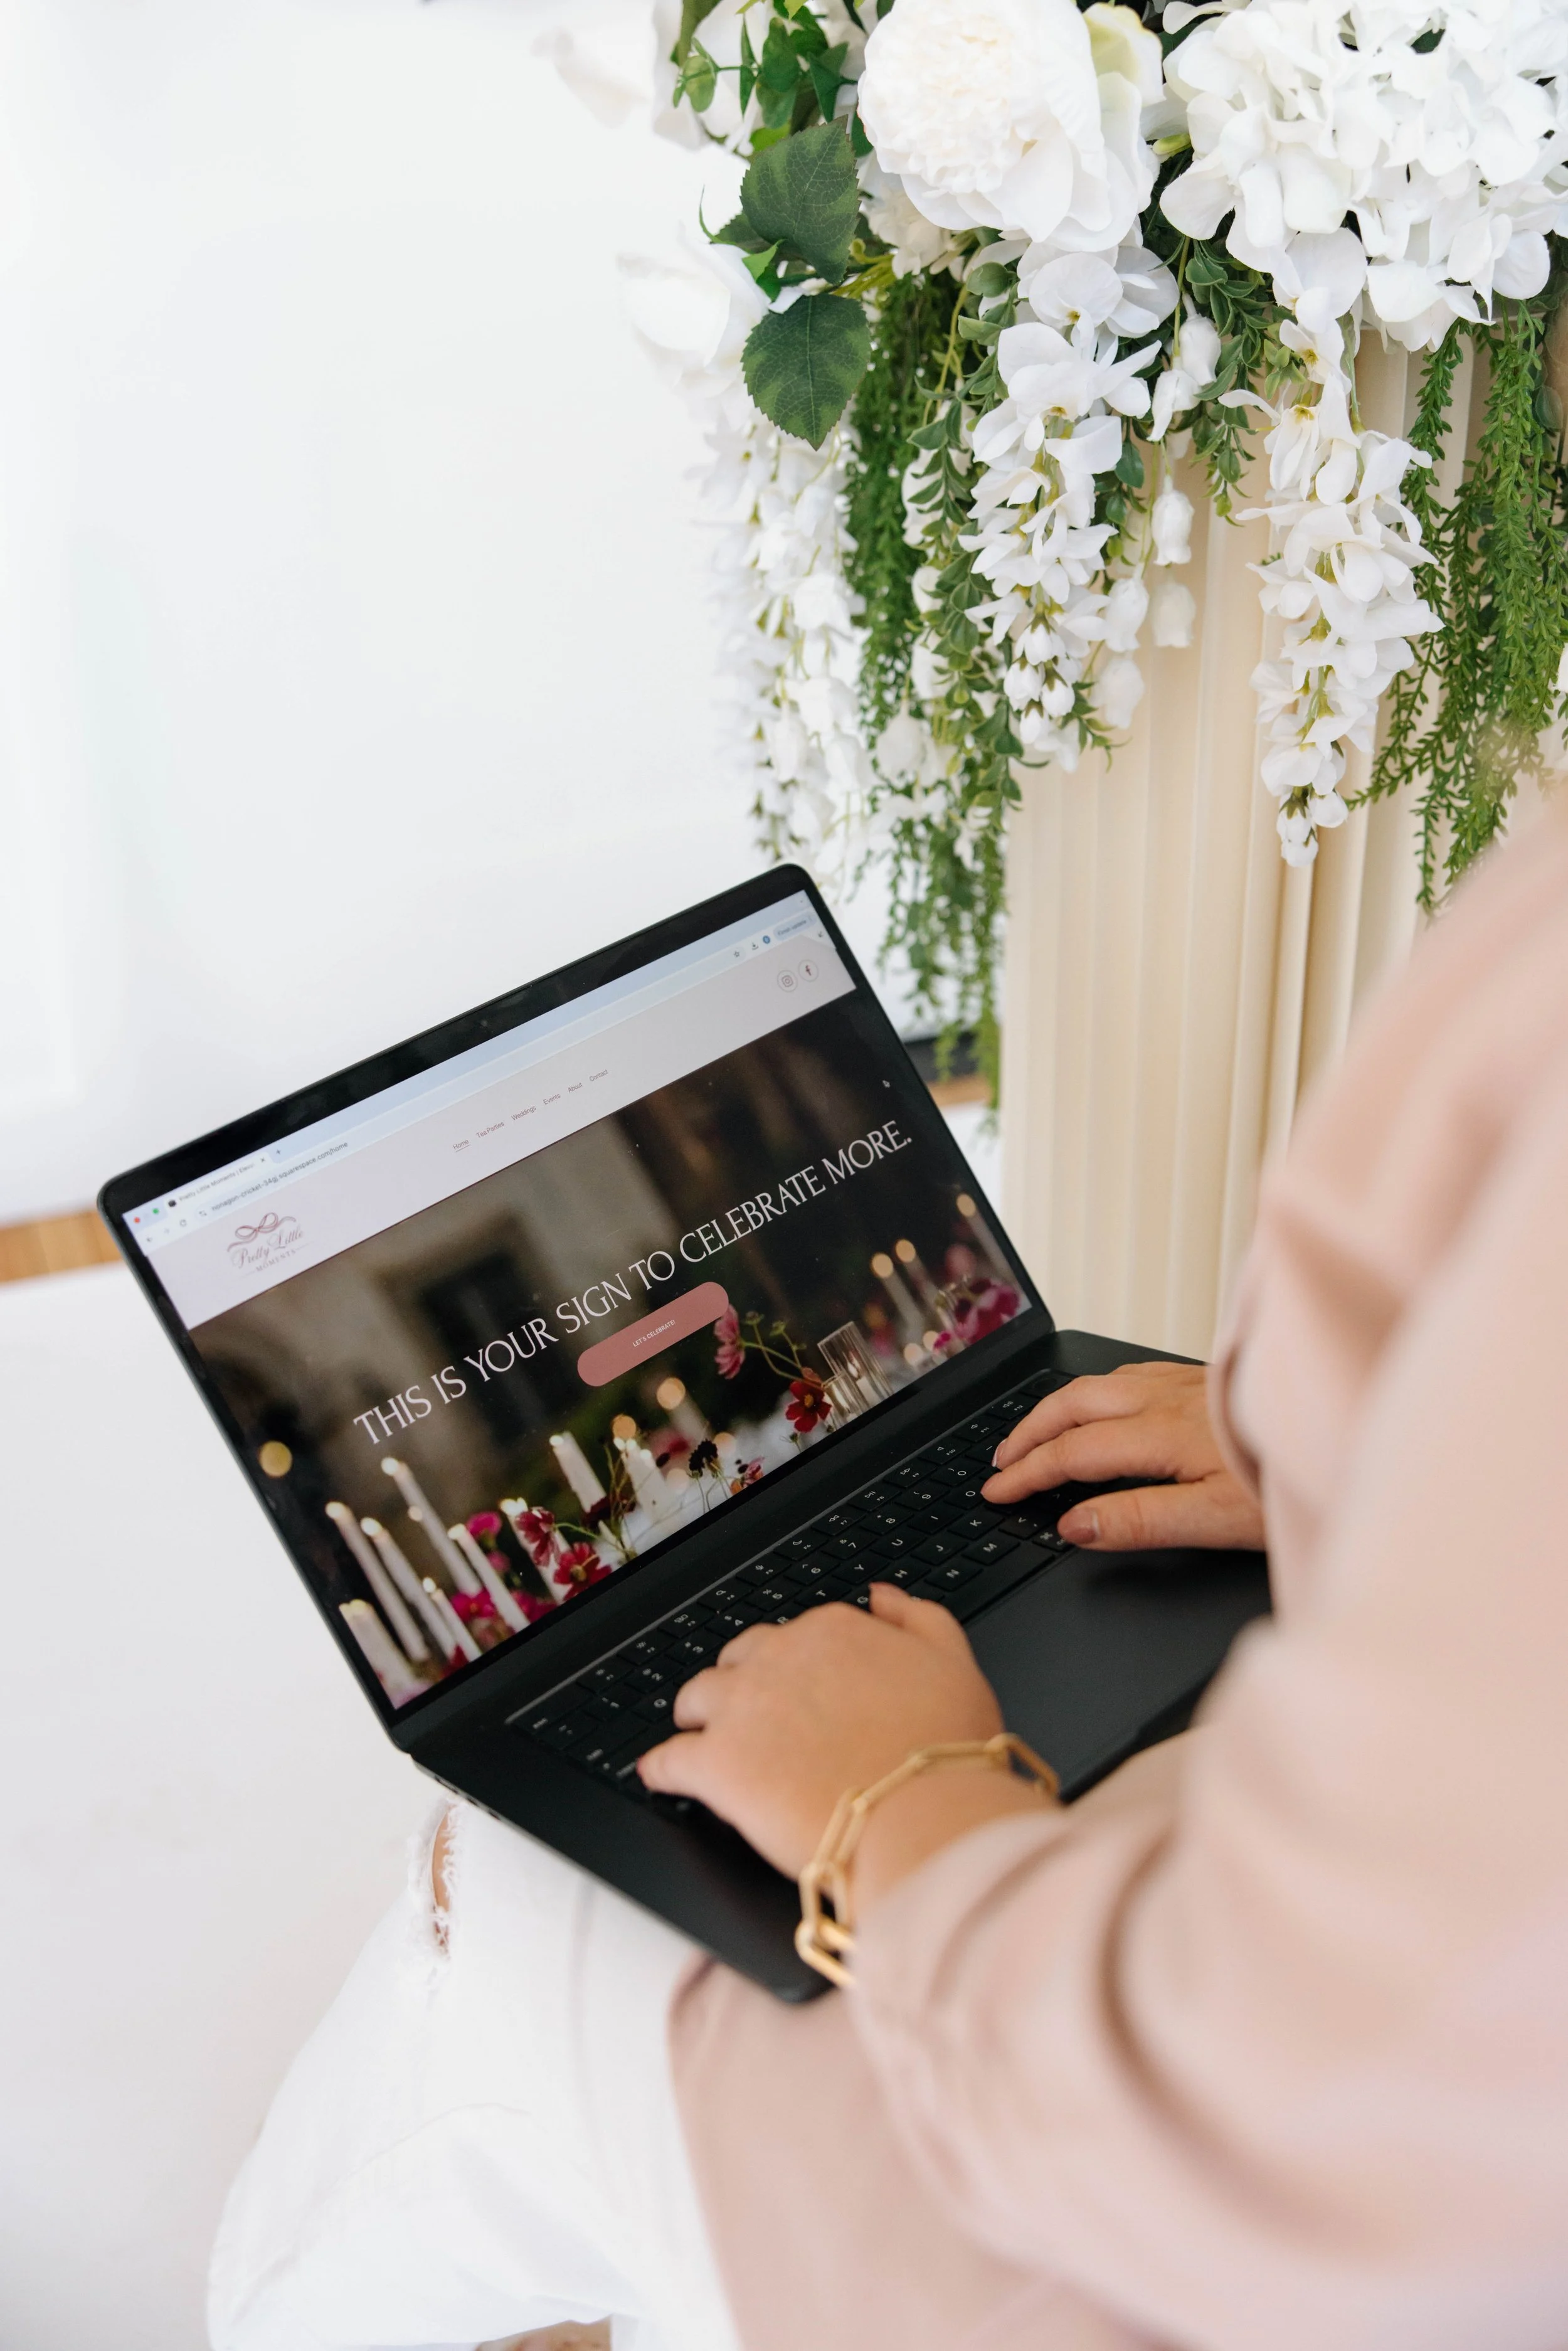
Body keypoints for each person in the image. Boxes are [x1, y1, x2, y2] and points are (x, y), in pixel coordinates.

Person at [211, 800, 1568, 2351]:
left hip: (1147, 2209)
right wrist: (1378, 1440)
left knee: (502, 1878)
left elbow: (1255, 2119)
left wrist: (900, 1795)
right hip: (1393, 1879)